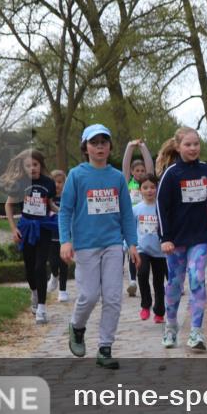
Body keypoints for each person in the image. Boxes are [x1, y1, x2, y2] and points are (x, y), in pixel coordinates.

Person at [60, 124, 138, 369]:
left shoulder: (117, 177)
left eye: (104, 142)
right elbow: (65, 211)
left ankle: (105, 347)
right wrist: (65, 241)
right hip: (85, 245)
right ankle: (77, 326)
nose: (100, 147)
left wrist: (132, 244)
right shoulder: (77, 175)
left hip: (114, 244)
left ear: (110, 146)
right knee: (89, 295)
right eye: (95, 143)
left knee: (113, 297)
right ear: (86, 147)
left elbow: (126, 213)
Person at [155, 128, 207, 352]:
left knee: (197, 278)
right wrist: (165, 238)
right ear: (178, 147)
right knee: (174, 285)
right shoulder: (171, 173)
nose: (193, 148)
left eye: (196, 144)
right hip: (175, 240)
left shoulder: (205, 170)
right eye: (188, 145)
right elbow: (160, 207)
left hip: (200, 236)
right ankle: (171, 326)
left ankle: (195, 331)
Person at [2, 148, 57, 325]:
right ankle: (34, 292)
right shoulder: (19, 184)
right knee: (30, 268)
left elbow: (50, 205)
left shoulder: (48, 183)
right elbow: (8, 206)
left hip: (44, 227)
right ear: (23, 168)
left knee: (41, 266)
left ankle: (41, 307)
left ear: (40, 165)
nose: (32, 168)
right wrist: (13, 229)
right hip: (26, 228)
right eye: (28, 166)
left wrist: (62, 212)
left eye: (35, 165)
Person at [122, 139, 154, 297]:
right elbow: (125, 167)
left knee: (144, 249)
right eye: (138, 170)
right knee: (131, 249)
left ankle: (148, 277)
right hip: (131, 219)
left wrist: (142, 147)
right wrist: (129, 147)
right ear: (133, 172)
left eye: (142, 170)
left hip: (146, 220)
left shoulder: (148, 183)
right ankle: (132, 280)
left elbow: (150, 167)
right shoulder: (127, 182)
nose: (141, 173)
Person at [133, 173, 166, 323]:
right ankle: (145, 305)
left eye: (152, 187)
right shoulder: (136, 209)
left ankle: (159, 312)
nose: (149, 190)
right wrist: (129, 246)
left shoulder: (162, 208)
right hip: (142, 250)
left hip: (160, 252)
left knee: (159, 282)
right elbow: (130, 228)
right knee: (142, 274)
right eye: (145, 187)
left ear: (157, 188)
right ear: (140, 190)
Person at [47, 169, 70, 303]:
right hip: (50, 235)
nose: (57, 185)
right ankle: (54, 275)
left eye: (60, 182)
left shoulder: (67, 198)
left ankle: (63, 290)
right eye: (54, 182)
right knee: (53, 261)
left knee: (64, 263)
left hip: (64, 236)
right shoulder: (47, 198)